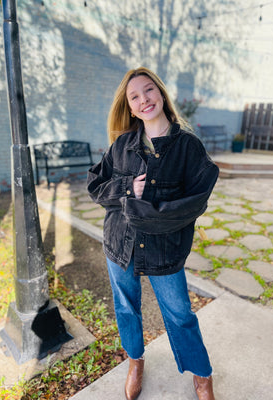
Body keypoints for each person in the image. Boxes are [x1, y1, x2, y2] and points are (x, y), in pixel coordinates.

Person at [87, 67, 219, 400]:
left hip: (165, 249)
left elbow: (197, 198)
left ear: (160, 94)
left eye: (149, 91)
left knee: (179, 313)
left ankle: (201, 376)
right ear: (130, 107)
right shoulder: (121, 146)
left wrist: (156, 215)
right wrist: (126, 187)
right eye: (135, 96)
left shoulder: (187, 147)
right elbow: (95, 185)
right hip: (120, 244)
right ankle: (135, 362)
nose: (144, 99)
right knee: (126, 307)